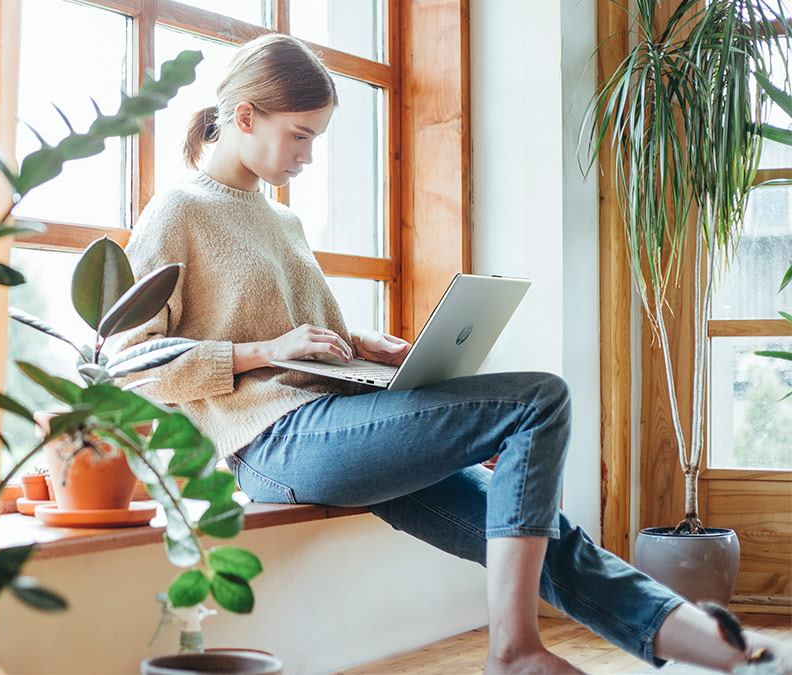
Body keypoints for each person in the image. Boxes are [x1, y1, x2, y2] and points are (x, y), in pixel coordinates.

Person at [112, 34, 790, 674]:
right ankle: (515, 646)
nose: (307, 156)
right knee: (538, 396)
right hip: (274, 442)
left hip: (331, 425)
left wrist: (358, 343)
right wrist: (264, 349)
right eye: (300, 135)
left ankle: (740, 655)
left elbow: (306, 345)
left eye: (314, 139)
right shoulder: (178, 211)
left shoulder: (281, 218)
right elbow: (128, 363)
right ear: (245, 116)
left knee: (545, 533)